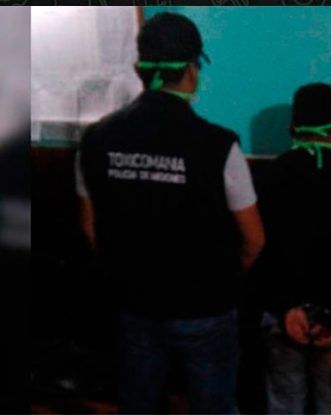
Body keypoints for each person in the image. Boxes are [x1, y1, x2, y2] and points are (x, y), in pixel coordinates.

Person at [76, 12, 264, 414]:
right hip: (205, 307)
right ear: (193, 71)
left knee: (138, 404)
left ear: (138, 69)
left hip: (133, 305)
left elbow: (91, 229)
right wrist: (220, 278)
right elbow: (254, 239)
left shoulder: (94, 140)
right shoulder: (219, 145)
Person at [254, 83, 331, 414]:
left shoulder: (270, 175)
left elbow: (263, 250)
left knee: (285, 402)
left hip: (282, 315)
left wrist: (287, 308)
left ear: (292, 128)